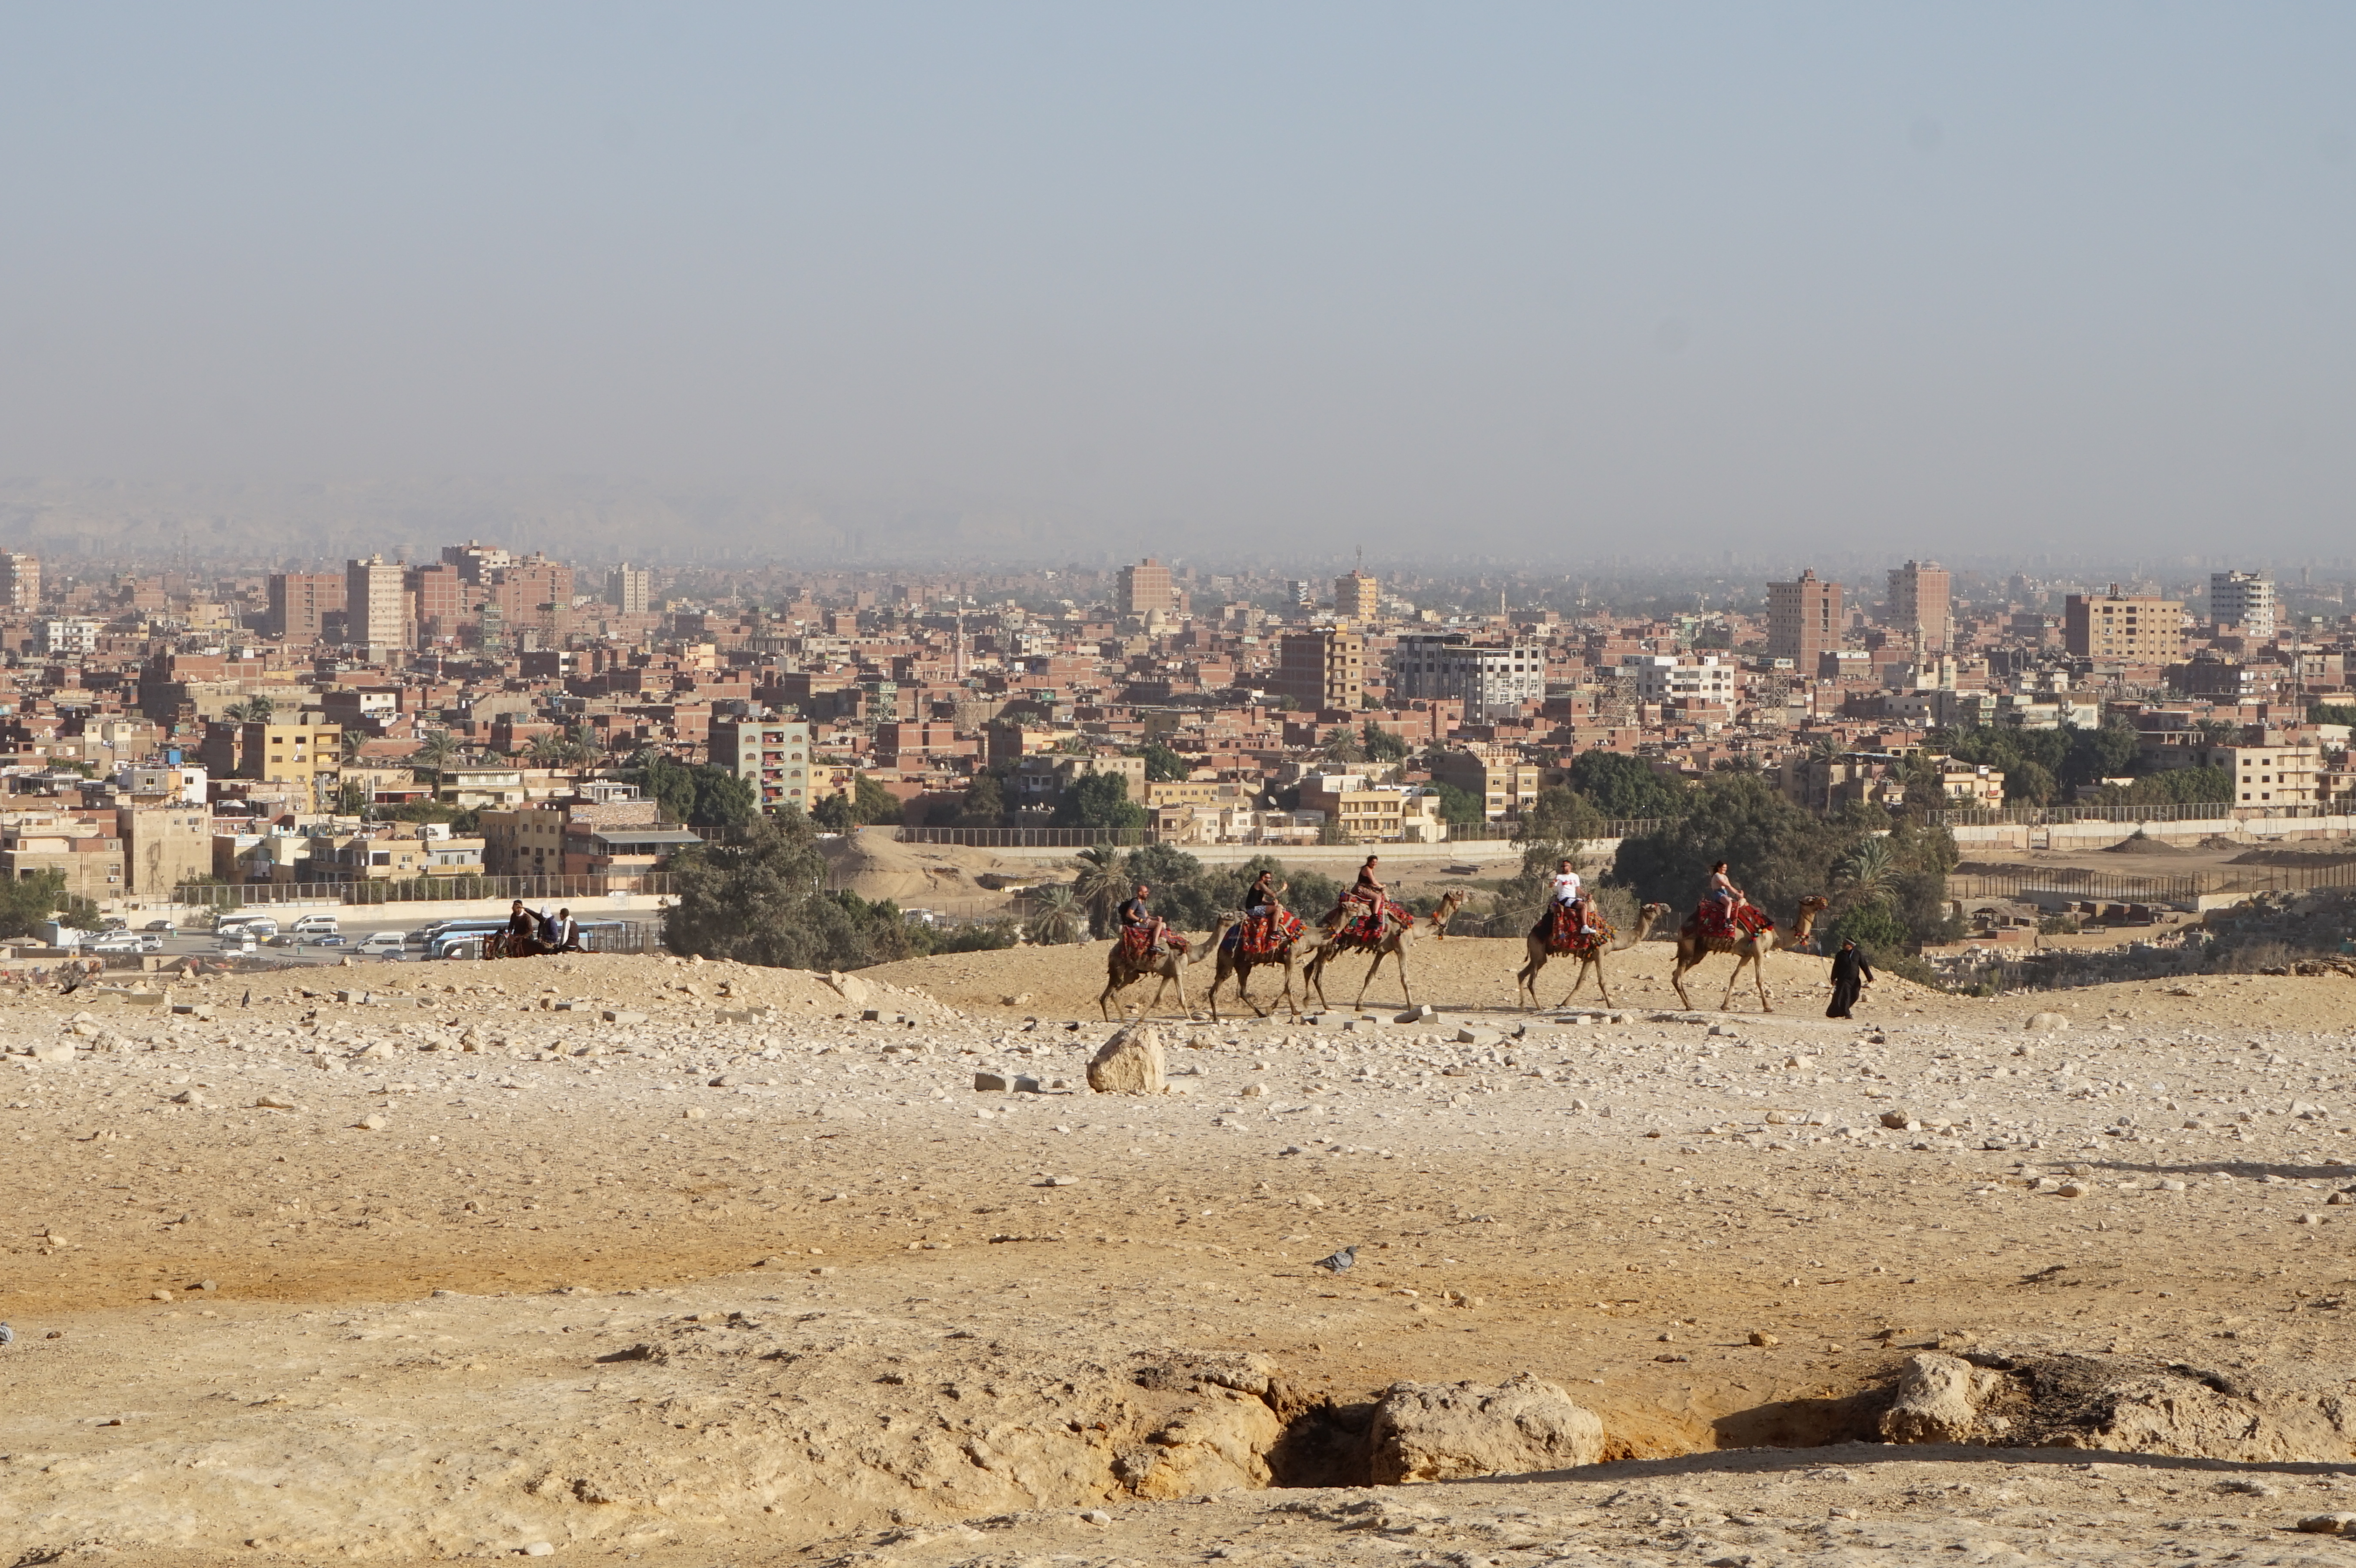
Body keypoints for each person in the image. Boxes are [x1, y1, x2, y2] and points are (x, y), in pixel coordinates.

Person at [1826, 938, 1874, 1019]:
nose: (1844, 945)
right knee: (1846, 996)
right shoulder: (1840, 955)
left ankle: (1843, 1010)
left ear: (1851, 945)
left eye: (1846, 944)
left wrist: (1870, 977)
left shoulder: (1857, 954)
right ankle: (1847, 1013)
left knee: (1855, 995)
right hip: (1844, 980)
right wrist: (1833, 978)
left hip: (1855, 981)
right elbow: (1836, 967)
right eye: (1844, 944)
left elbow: (1864, 966)